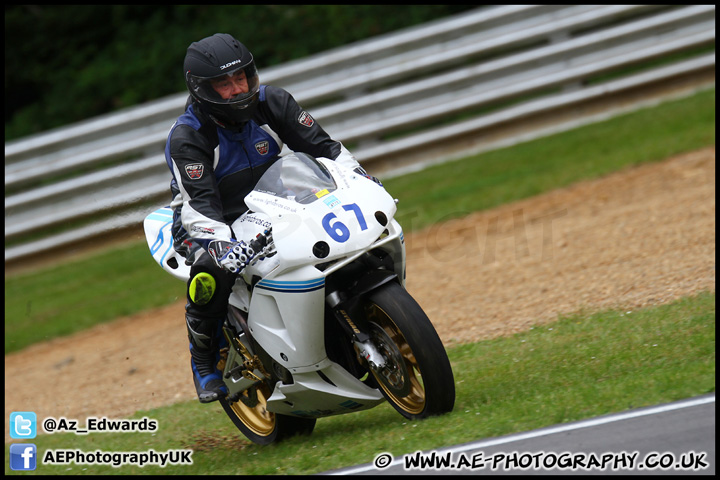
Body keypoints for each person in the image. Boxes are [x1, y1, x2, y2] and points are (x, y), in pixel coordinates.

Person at [164, 33, 380, 403]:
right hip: (209, 219)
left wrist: (359, 180)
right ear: (202, 89)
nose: (237, 89)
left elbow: (325, 150)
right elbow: (199, 205)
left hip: (273, 201)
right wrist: (221, 243)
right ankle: (203, 359)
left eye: (241, 78)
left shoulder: (273, 102)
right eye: (224, 84)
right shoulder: (189, 136)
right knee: (212, 270)